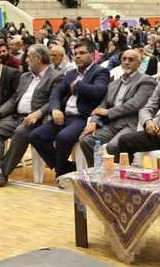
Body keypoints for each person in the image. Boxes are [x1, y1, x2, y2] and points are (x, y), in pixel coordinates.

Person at [0, 45, 62, 188]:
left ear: (38, 58)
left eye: (29, 57)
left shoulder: (55, 76)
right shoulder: (25, 76)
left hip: (38, 119)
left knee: (20, 133)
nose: (26, 60)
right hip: (17, 116)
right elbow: (14, 99)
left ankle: (1, 174)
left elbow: (55, 100)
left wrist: (38, 113)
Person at [29, 40, 110, 178]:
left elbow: (99, 91)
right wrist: (55, 109)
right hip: (64, 116)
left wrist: (77, 86)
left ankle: (60, 174)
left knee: (63, 137)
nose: (77, 56)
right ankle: (67, 168)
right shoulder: (71, 73)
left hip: (82, 117)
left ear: (92, 54)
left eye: (82, 53)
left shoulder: (100, 71)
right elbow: (56, 93)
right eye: (75, 53)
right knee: (35, 136)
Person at [79, 49, 157, 166]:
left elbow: (136, 104)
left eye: (131, 60)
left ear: (139, 63)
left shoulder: (146, 80)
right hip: (111, 124)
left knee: (113, 146)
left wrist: (108, 112)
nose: (126, 62)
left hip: (130, 124)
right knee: (86, 140)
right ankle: (96, 171)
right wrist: (94, 122)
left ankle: (117, 176)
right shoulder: (114, 83)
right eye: (124, 59)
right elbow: (102, 105)